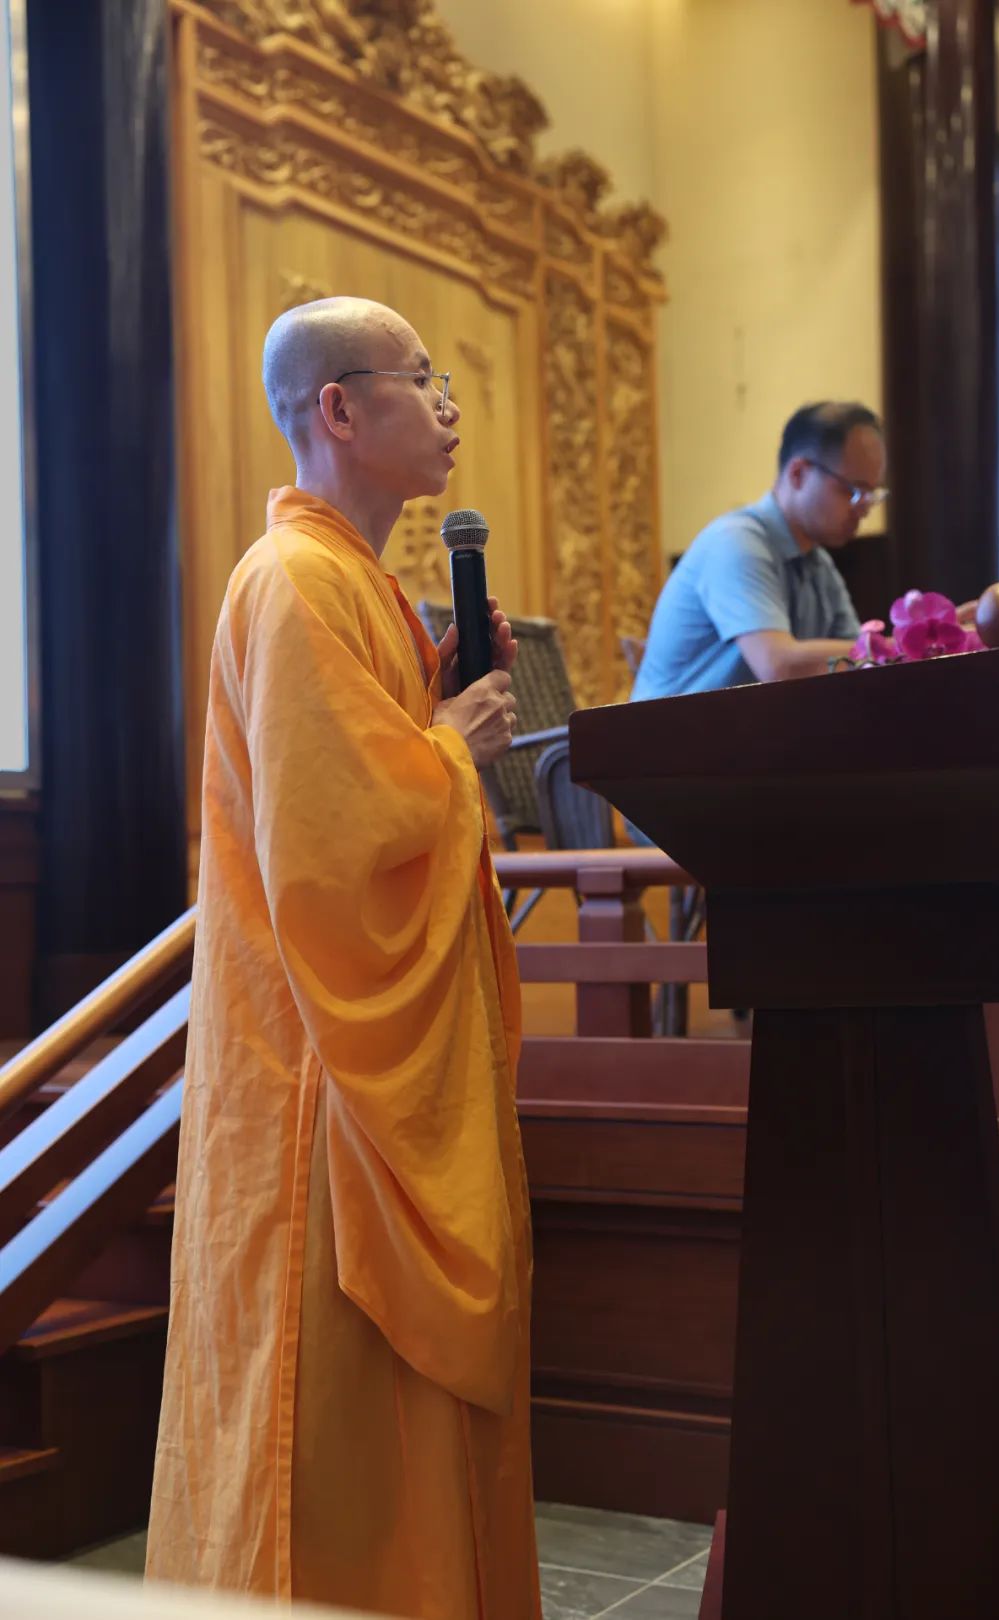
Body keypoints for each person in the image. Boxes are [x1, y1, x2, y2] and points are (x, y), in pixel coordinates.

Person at [145, 296, 541, 1620]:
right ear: (337, 408)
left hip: (357, 1048)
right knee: (330, 1408)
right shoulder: (295, 581)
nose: (450, 408)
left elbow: (364, 773)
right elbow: (325, 844)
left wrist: (432, 701)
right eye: (422, 380)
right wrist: (450, 747)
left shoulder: (357, 583)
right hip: (321, 1067)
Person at [631, 401, 887, 703]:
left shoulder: (817, 563)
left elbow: (860, 664)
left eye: (872, 494)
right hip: (670, 732)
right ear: (798, 474)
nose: (864, 508)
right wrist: (894, 646)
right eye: (853, 491)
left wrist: (899, 647)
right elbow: (777, 665)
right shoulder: (736, 542)